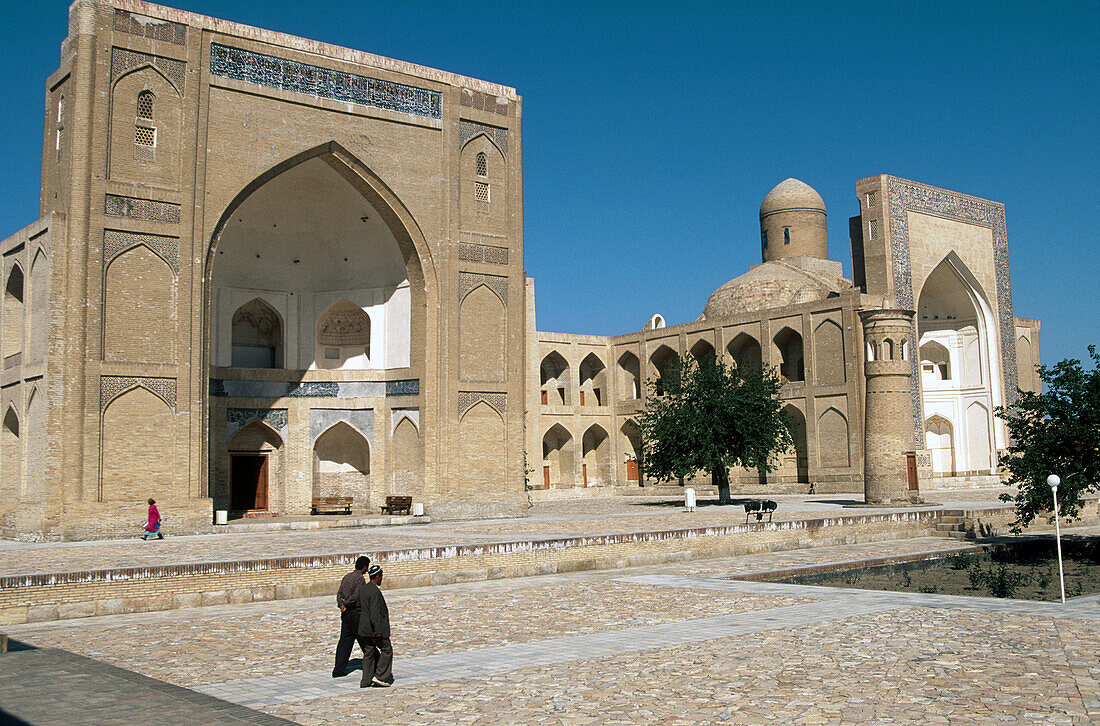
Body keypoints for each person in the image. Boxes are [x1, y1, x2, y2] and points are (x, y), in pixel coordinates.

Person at [332, 555, 370, 678]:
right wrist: (347, 603)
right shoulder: (359, 579)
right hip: (355, 613)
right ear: (364, 567)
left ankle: (338, 669)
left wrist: (341, 604)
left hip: (345, 614)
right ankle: (375, 665)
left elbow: (339, 593)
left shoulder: (347, 577)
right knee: (365, 640)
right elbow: (357, 596)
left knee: (345, 642)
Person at [358, 564, 393, 688]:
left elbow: (359, 608)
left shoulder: (363, 589)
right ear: (377, 577)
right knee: (387, 650)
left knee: (369, 653)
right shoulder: (374, 591)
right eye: (381, 577)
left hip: (364, 629)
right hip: (374, 630)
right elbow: (375, 612)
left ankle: (366, 680)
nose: (381, 579)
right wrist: (378, 630)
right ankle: (380, 676)